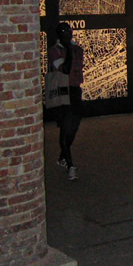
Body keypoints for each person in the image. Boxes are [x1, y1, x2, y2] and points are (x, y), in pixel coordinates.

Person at [49, 22, 84, 181]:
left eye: (69, 31)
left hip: (74, 91)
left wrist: (71, 49)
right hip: (62, 92)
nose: (68, 35)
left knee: (74, 127)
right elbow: (65, 69)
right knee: (65, 126)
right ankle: (70, 165)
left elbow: (75, 69)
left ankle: (62, 155)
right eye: (65, 32)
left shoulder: (77, 49)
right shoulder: (54, 51)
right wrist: (69, 50)